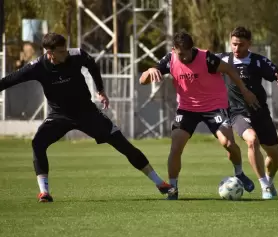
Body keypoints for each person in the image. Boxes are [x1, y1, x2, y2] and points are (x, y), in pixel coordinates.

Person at [0, 33, 174, 203]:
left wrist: (100, 90)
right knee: (38, 143)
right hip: (59, 115)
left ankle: (160, 183)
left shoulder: (76, 55)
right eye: (61, 51)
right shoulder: (37, 67)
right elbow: (10, 80)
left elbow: (92, 65)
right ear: (49, 53)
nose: (66, 53)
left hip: (87, 113)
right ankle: (44, 192)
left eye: (66, 49)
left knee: (122, 144)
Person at [139, 30, 260, 200]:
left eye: (187, 54)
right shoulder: (170, 59)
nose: (185, 58)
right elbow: (142, 80)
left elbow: (230, 70)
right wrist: (149, 71)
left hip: (214, 106)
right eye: (181, 54)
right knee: (176, 145)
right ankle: (173, 188)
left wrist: (245, 91)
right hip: (187, 109)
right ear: (174, 50)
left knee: (228, 143)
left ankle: (239, 173)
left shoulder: (207, 58)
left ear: (192, 49)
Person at [217, 26, 278, 199]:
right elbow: (199, 61)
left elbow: (277, 73)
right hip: (237, 112)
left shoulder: (259, 61)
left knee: (274, 155)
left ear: (249, 43)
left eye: (241, 45)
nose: (236, 48)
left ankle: (269, 182)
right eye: (233, 44)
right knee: (252, 140)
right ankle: (264, 186)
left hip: (260, 112)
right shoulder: (223, 60)